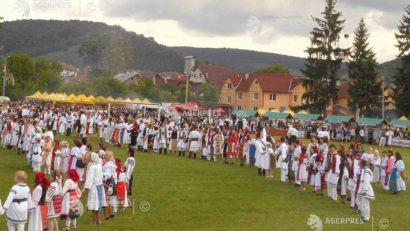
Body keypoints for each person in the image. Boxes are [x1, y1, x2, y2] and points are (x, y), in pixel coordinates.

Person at [84, 152, 106, 225]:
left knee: (93, 205)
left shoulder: (92, 167)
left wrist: (86, 187)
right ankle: (98, 220)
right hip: (99, 187)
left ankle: (94, 221)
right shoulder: (99, 166)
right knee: (97, 205)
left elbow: (90, 178)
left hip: (94, 188)